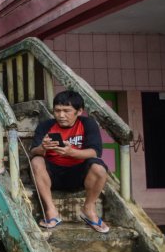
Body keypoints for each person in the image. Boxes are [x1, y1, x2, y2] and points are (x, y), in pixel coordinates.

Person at [29, 90, 110, 233]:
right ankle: (51, 211)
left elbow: (95, 152)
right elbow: (32, 151)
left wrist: (72, 152)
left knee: (99, 168)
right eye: (57, 111)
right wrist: (42, 148)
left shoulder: (88, 124)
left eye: (66, 111)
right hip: (52, 176)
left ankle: (89, 209)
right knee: (36, 161)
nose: (61, 115)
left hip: (79, 175)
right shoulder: (46, 126)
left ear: (79, 111)